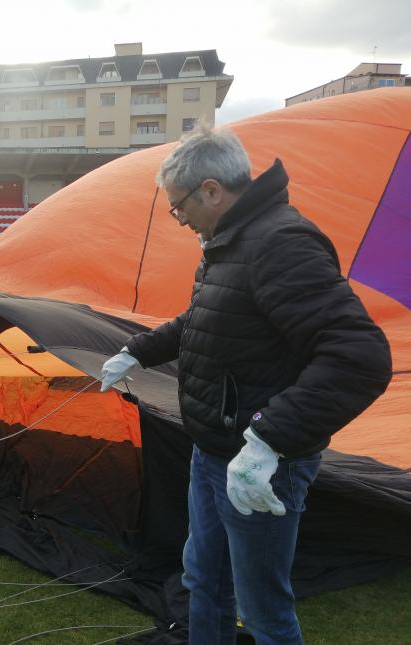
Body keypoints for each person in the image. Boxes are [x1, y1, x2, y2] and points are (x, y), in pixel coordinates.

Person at [100, 124, 392, 644]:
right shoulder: (230, 241)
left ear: (211, 190)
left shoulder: (280, 242)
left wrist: (267, 440)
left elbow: (359, 356)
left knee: (262, 611)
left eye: (179, 205)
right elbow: (204, 320)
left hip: (262, 469)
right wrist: (135, 351)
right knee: (202, 583)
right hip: (213, 453)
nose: (179, 217)